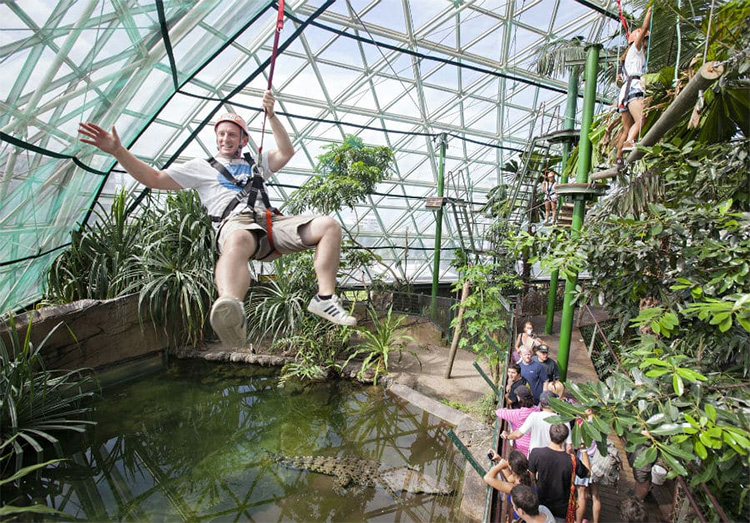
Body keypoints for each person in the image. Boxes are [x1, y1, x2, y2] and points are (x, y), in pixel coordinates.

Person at [78, 91, 357, 349]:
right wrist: (118, 151)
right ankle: (230, 307)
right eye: (221, 134)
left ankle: (324, 299)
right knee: (238, 239)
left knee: (328, 226)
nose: (225, 139)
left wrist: (271, 116)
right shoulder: (201, 168)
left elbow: (286, 152)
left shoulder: (255, 162)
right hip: (234, 224)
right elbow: (154, 178)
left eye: (232, 135)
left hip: (270, 223)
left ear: (244, 139)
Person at [615, 6, 652, 170]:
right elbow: (643, 29)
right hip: (633, 90)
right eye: (645, 39)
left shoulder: (627, 58)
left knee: (627, 128)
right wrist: (649, 12)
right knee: (642, 119)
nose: (646, 42)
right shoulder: (635, 51)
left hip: (624, 93)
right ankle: (630, 142)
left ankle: (618, 158)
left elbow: (619, 79)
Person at [528, 423, 575, 522]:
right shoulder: (571, 460)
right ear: (565, 438)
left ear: (550, 435)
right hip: (561, 507)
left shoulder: (536, 453)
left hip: (541, 501)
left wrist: (536, 484)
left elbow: (531, 475)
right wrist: (583, 450)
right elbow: (587, 473)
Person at [501, 391, 571, 454]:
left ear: (541, 404)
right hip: (556, 458)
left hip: (535, 457)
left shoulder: (534, 416)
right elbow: (569, 447)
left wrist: (508, 436)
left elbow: (518, 434)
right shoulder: (564, 420)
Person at [496, 386, 539, 457]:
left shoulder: (518, 414)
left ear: (519, 398)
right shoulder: (537, 410)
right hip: (535, 446)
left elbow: (498, 412)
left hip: (522, 448)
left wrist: (506, 410)